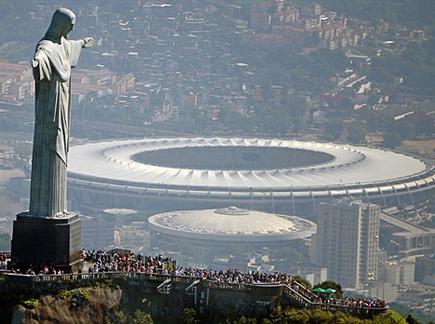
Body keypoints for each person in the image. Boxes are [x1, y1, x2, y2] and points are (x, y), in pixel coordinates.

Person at [29, 8, 94, 217]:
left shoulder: (62, 44)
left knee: (61, 149)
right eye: (69, 26)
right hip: (51, 108)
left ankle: (57, 208)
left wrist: (82, 43)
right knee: (51, 148)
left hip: (63, 105)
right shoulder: (46, 47)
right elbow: (42, 55)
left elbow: (68, 48)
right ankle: (45, 210)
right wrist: (38, 62)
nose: (72, 29)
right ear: (60, 25)